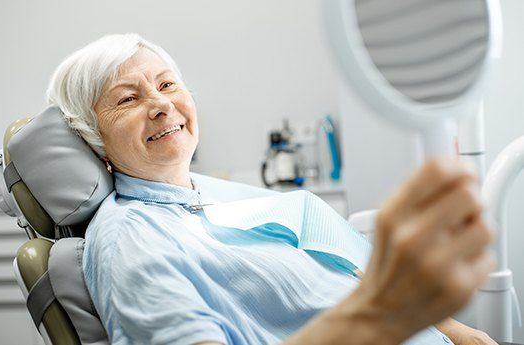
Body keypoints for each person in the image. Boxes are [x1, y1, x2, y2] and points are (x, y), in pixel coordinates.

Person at [47, 33, 497, 345]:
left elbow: (343, 272)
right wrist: (385, 309)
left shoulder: (207, 197)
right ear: (93, 138)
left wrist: (457, 331)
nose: (162, 104)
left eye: (167, 85)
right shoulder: (131, 239)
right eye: (128, 99)